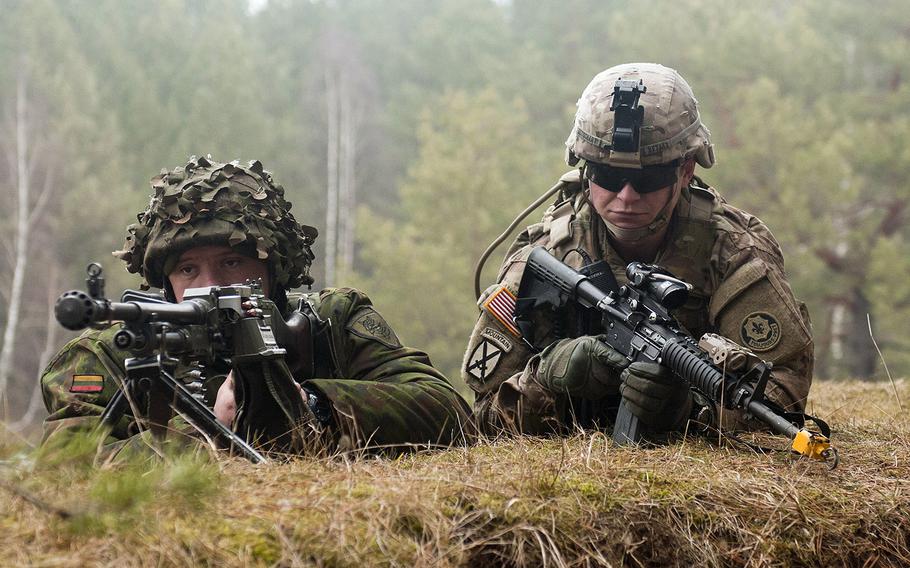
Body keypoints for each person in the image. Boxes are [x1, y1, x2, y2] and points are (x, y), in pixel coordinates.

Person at [463, 63, 813, 436]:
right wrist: (548, 377)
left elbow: (782, 399)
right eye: (609, 176)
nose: (626, 197)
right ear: (586, 172)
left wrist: (690, 413)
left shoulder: (732, 252)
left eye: (648, 178)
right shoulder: (547, 256)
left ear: (685, 171)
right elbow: (485, 418)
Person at [41, 156, 471, 457]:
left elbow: (448, 412)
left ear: (273, 272)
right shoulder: (114, 352)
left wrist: (316, 407)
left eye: (231, 263)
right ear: (164, 283)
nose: (208, 286)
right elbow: (65, 469)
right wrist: (207, 433)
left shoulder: (332, 322)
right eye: (188, 270)